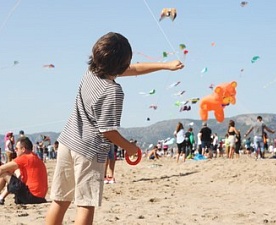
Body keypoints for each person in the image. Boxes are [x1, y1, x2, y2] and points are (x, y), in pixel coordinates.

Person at [45, 32, 184, 225]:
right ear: (121, 64)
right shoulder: (112, 91)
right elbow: (107, 130)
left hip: (67, 143)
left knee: (60, 200)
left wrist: (165, 66)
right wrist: (130, 148)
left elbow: (134, 69)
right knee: (85, 203)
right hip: (89, 151)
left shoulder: (91, 73)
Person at [0, 137, 48, 205]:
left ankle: (1, 197)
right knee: (14, 171)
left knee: (4, 173)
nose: (15, 150)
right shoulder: (35, 157)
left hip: (30, 196)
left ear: (23, 149)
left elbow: (1, 169)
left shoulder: (25, 158)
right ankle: (1, 197)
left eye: (16, 149)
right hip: (40, 198)